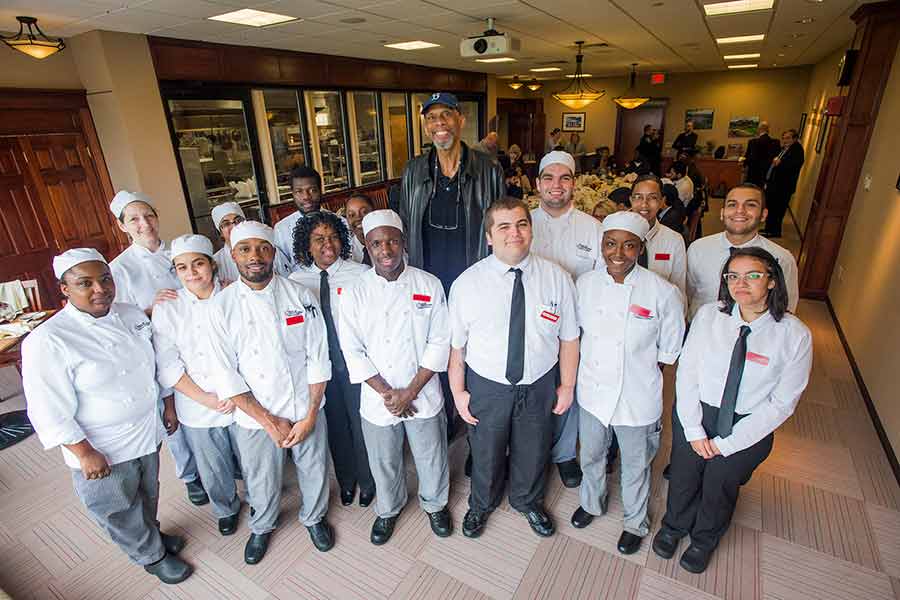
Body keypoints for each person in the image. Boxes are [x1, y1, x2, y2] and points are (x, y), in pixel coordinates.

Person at [23, 248, 192, 585]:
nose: (100, 289)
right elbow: (46, 407)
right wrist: (83, 452)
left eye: (104, 279)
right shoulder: (48, 340)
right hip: (101, 444)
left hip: (145, 429)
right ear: (65, 289)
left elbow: (153, 364)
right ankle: (150, 555)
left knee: (147, 492)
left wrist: (168, 406)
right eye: (85, 283)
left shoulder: (130, 314)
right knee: (117, 505)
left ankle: (151, 535)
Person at [653, 247, 812, 574]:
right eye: (733, 276)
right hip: (697, 412)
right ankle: (674, 525)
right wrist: (694, 430)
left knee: (719, 484)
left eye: (752, 275)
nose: (741, 283)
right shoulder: (710, 315)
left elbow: (783, 403)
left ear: (771, 281)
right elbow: (688, 372)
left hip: (749, 424)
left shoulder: (794, 335)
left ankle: (704, 539)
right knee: (684, 475)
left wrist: (727, 445)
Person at [449, 197, 580, 539]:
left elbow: (569, 339)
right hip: (487, 385)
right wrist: (458, 392)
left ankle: (528, 501)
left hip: (539, 382)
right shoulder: (467, 284)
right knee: (486, 449)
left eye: (522, 224)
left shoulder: (557, 279)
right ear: (489, 236)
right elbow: (456, 347)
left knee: (534, 447)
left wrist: (566, 385)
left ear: (531, 229)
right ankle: (481, 503)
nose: (514, 233)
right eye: (504, 226)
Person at [205, 220, 334, 565]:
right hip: (256, 418)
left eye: (262, 248)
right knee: (260, 476)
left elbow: (318, 357)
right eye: (245, 249)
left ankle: (315, 517)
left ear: (273, 252)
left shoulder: (299, 296)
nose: (255, 256)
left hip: (305, 405)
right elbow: (226, 374)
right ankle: (261, 525)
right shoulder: (221, 307)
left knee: (315, 467)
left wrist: (309, 415)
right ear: (233, 255)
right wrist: (267, 420)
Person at [571, 212, 684, 555]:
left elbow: (670, 351)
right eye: (610, 244)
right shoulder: (585, 285)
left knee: (636, 465)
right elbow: (574, 336)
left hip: (638, 396)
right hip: (592, 391)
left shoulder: (663, 293)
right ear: (601, 246)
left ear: (640, 248)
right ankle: (591, 503)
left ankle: (635, 522)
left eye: (628, 245)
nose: (617, 253)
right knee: (591, 455)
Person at [340, 209, 453, 545]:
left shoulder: (428, 284)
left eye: (391, 241)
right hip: (379, 398)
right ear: (367, 246)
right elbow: (352, 349)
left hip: (422, 391)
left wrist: (410, 391)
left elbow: (440, 341)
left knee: (431, 453)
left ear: (403, 242)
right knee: (383, 458)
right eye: (377, 243)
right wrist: (390, 393)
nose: (385, 250)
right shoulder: (354, 292)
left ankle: (435, 504)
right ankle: (388, 509)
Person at [398, 92, 505, 437]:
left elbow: (499, 223)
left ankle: (477, 431)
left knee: (474, 351)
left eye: (446, 116)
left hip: (473, 276)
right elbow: (405, 222)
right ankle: (443, 418)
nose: (439, 124)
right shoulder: (414, 170)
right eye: (432, 118)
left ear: (460, 120)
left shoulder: (487, 169)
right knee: (435, 347)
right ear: (424, 124)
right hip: (429, 276)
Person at [107, 190, 205, 507]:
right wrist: (151, 309)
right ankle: (191, 475)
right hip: (155, 348)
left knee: (206, 401)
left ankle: (218, 461)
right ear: (122, 226)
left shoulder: (177, 252)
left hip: (198, 341)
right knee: (172, 412)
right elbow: (116, 319)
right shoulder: (119, 269)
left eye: (148, 216)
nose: (143, 224)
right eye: (133, 219)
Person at [151, 234, 243, 536]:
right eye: (182, 267)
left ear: (212, 265)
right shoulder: (169, 307)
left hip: (242, 396)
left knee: (251, 456)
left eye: (198, 264)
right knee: (212, 463)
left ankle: (259, 498)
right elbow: (167, 362)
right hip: (196, 401)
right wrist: (204, 398)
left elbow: (249, 349)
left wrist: (234, 393)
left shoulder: (235, 295)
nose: (191, 273)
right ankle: (226, 507)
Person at [289, 211, 375, 509]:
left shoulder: (361, 274)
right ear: (307, 245)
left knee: (361, 423)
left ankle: (368, 481)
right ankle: (347, 480)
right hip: (320, 368)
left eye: (333, 237)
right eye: (319, 239)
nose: (328, 244)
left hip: (356, 363)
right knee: (336, 426)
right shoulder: (296, 281)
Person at [530, 150, 603, 488]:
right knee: (534, 391)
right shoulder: (522, 223)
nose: (556, 186)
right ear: (538, 184)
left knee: (569, 390)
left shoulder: (593, 229)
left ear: (574, 184)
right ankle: (532, 453)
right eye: (549, 178)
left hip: (576, 326)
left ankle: (563, 454)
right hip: (531, 325)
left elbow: (602, 281)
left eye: (564, 178)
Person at [686, 183, 799, 321]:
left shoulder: (781, 258)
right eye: (732, 205)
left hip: (752, 336)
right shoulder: (698, 248)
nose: (740, 210)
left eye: (750, 205)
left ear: (763, 215)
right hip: (700, 329)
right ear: (722, 213)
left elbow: (786, 308)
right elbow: (688, 294)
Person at [273, 165, 340, 273]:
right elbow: (282, 269)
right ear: (293, 194)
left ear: (320, 190)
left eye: (312, 190)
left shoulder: (339, 222)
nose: (306, 197)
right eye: (299, 191)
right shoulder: (282, 229)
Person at [630, 174, 687, 297]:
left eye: (653, 198)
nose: (644, 204)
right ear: (631, 200)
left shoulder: (674, 240)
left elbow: (679, 289)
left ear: (662, 202)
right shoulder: (617, 236)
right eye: (638, 197)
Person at [763, 129, 805, 238]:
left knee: (778, 209)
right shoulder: (785, 149)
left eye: (788, 138)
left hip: (783, 187)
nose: (785, 140)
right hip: (774, 185)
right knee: (771, 207)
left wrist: (780, 163)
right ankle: (769, 228)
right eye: (784, 138)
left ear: (794, 139)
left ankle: (774, 231)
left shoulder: (797, 150)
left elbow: (792, 167)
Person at [211, 201, 246, 283]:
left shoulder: (266, 249)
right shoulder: (216, 262)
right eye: (226, 224)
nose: (234, 226)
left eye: (238, 220)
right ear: (220, 233)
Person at [743, 121, 780, 186]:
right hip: (768, 174)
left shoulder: (752, 142)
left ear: (759, 130)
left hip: (753, 174)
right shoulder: (776, 142)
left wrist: (743, 163)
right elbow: (777, 159)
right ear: (768, 130)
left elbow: (748, 158)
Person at [344, 193, 375, 265]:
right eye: (352, 215)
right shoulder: (345, 251)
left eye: (364, 212)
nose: (358, 218)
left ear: (374, 212)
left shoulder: (388, 240)